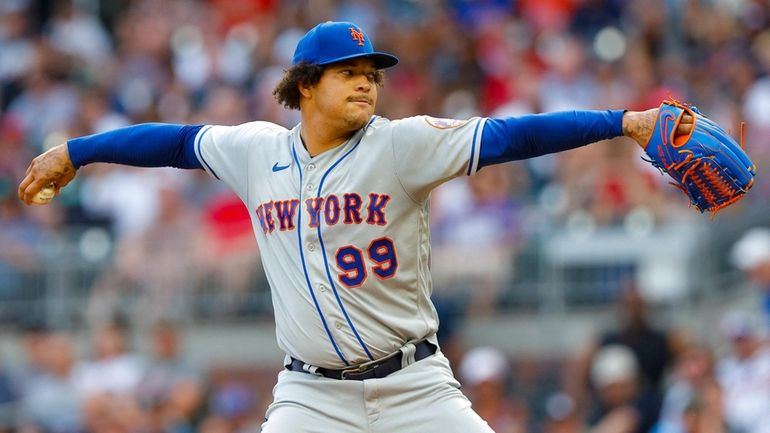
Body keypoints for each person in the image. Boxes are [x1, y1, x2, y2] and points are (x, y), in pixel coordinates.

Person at [18, 21, 693, 433]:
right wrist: (77, 151)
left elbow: (514, 134)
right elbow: (172, 141)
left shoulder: (401, 144)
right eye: (349, 73)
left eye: (372, 73)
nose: (368, 84)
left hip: (414, 383)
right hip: (310, 392)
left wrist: (622, 121)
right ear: (306, 84)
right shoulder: (257, 150)